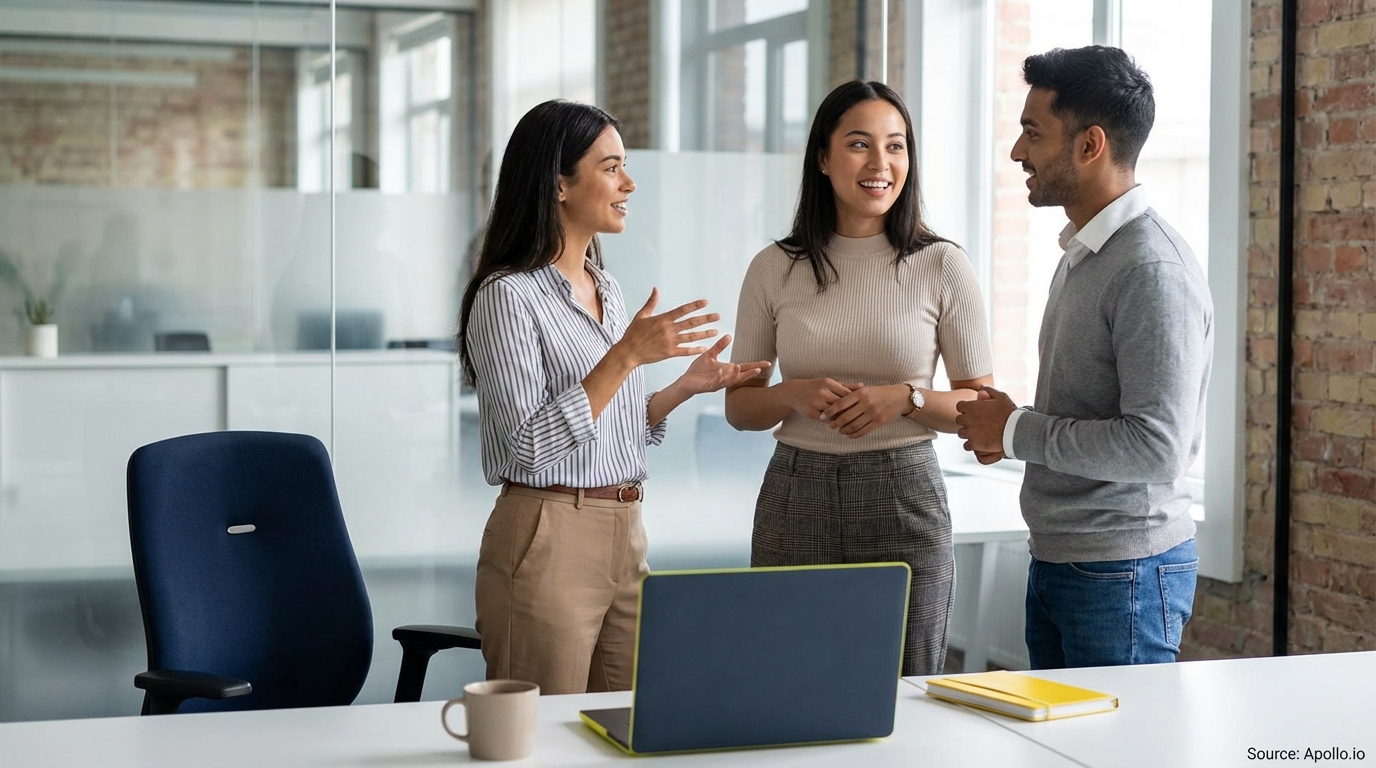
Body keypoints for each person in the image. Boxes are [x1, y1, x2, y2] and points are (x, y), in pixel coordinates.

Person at [458, 100, 769, 694]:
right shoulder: (507, 296)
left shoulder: (606, 286)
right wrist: (626, 355)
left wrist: (679, 389)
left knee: (627, 727)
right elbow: (525, 448)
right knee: (544, 739)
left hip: (626, 529)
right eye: (610, 167)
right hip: (548, 530)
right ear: (559, 185)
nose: (628, 183)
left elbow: (608, 424)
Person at [954, 46, 1213, 669]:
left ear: (1090, 145)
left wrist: (1016, 430)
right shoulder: (1086, 252)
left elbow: (1157, 447)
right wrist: (1012, 428)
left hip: (1122, 571)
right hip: (1069, 559)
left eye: (1032, 133)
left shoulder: (1150, 268)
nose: (1018, 152)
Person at [725, 80, 995, 676]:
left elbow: (982, 407)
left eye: (896, 147)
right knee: (785, 683)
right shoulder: (774, 268)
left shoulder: (943, 264)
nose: (881, 164)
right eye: (859, 145)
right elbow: (739, 410)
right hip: (796, 493)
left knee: (907, 691)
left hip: (906, 496)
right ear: (823, 158)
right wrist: (789, 393)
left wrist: (907, 398)